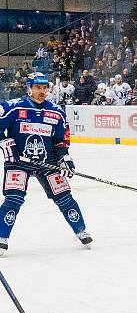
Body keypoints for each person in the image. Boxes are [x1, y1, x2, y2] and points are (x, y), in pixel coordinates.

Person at [0, 73, 92, 254]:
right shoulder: (14, 107)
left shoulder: (57, 112)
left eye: (44, 88)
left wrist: (65, 158)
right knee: (14, 198)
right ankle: (2, 237)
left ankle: (81, 230)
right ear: (29, 88)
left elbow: (61, 140)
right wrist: (5, 143)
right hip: (19, 161)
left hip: (47, 161)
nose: (41, 92)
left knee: (64, 196)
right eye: (37, 88)